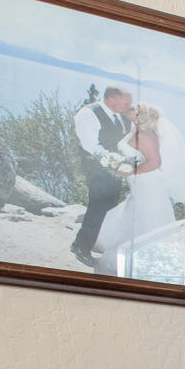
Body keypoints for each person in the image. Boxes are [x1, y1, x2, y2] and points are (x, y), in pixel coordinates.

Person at [101, 101, 185, 270]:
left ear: (141, 116)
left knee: (146, 215)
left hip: (148, 184)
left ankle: (141, 259)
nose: (131, 109)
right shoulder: (137, 131)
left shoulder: (144, 135)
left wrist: (130, 171)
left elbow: (155, 162)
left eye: (135, 109)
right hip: (142, 184)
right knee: (137, 212)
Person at [64, 82, 136, 270]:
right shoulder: (89, 113)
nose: (128, 105)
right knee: (97, 208)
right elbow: (90, 145)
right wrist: (113, 161)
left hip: (114, 171)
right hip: (96, 170)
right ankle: (82, 248)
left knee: (109, 208)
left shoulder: (121, 117)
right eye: (126, 102)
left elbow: (121, 141)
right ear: (112, 99)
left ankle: (81, 242)